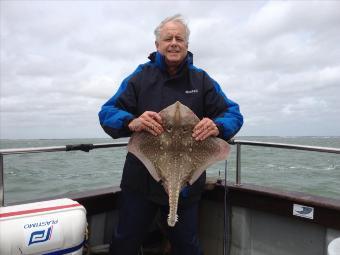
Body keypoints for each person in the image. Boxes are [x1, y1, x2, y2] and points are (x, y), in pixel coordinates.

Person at [98, 14, 243, 255]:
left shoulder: (201, 79)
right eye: (168, 38)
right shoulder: (140, 77)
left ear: (187, 45)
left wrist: (218, 126)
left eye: (180, 38)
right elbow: (107, 112)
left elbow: (233, 113)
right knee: (125, 242)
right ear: (157, 45)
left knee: (187, 245)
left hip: (187, 181)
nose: (174, 43)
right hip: (140, 181)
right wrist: (131, 121)